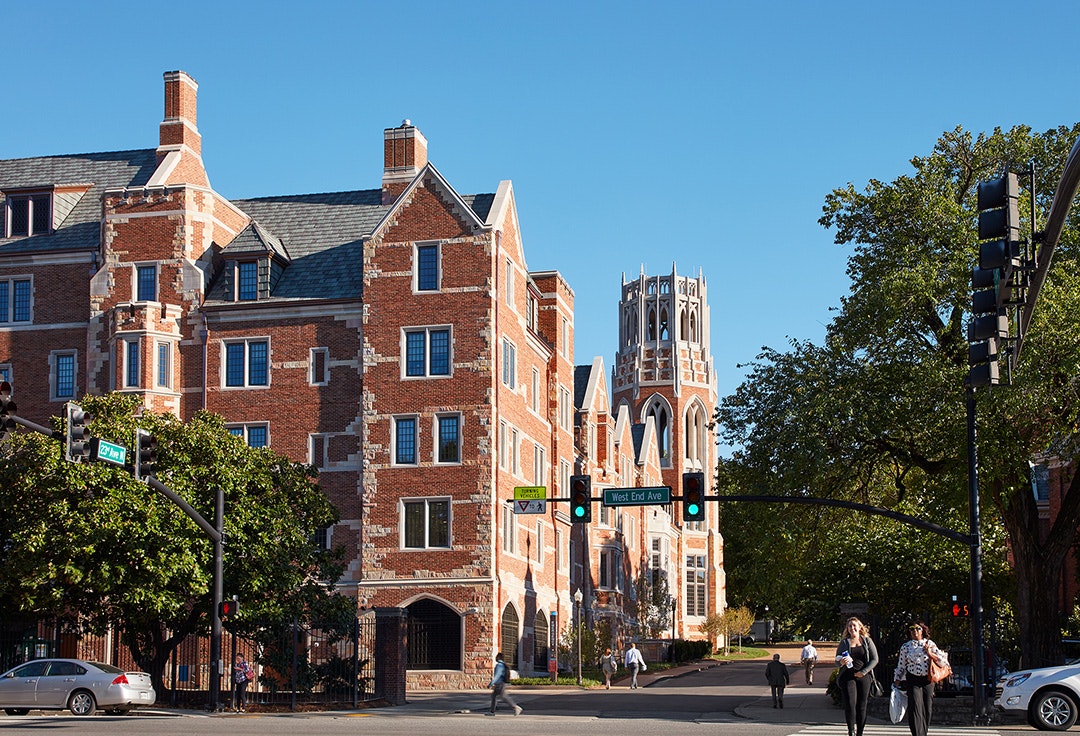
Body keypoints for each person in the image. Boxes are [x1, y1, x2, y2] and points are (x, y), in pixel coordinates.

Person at [893, 621, 944, 736]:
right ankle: (917, 733)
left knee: (927, 708)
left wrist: (929, 652)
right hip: (913, 679)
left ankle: (923, 732)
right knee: (915, 707)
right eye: (912, 629)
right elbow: (901, 665)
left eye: (917, 628)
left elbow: (941, 661)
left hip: (927, 679)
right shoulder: (906, 647)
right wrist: (897, 680)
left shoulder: (930, 644)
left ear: (923, 631)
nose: (914, 631)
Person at [835, 616, 880, 736]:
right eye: (850, 626)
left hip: (863, 676)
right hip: (848, 676)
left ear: (860, 627)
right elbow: (837, 659)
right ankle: (851, 731)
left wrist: (864, 672)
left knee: (862, 705)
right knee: (850, 704)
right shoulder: (844, 642)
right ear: (847, 629)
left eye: (854, 625)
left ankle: (860, 732)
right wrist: (841, 662)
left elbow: (875, 659)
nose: (852, 628)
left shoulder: (867, 641)